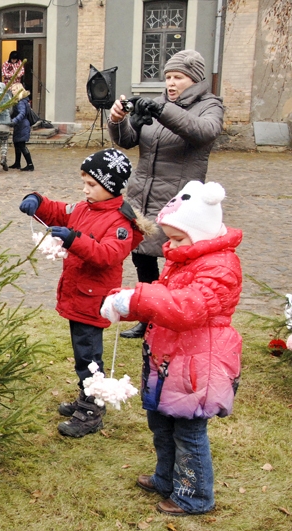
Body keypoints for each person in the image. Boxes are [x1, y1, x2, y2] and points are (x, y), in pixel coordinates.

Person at [100, 180, 241, 516]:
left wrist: (139, 298)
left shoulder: (220, 267)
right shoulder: (186, 259)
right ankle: (166, 478)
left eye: (178, 238)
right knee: (161, 425)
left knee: (188, 433)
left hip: (198, 366)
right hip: (169, 360)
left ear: (201, 232)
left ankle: (195, 495)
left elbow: (188, 307)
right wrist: (127, 304)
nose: (171, 245)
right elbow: (163, 300)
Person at [19, 148, 150, 437]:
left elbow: (107, 255)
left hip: (93, 300)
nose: (85, 189)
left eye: (91, 184)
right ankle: (86, 396)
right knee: (82, 354)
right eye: (84, 183)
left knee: (89, 357)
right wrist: (37, 201)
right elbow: (58, 211)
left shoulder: (120, 223)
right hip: (78, 295)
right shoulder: (83, 208)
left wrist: (73, 239)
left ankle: (92, 410)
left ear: (110, 185)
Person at [108, 49, 224, 340]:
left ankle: (174, 316)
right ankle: (148, 317)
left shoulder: (209, 105)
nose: (171, 83)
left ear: (194, 79)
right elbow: (128, 140)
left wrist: (162, 111)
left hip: (180, 199)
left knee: (178, 259)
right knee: (142, 255)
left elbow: (203, 132)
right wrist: (119, 120)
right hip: (143, 192)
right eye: (168, 77)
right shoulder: (159, 103)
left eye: (178, 77)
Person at [9, 83, 35, 171]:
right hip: (19, 125)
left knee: (21, 145)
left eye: (14, 90)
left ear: (19, 90)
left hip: (22, 125)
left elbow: (22, 113)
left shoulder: (21, 102)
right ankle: (17, 163)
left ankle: (30, 165)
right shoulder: (21, 100)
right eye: (12, 90)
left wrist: (14, 121)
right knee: (17, 144)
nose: (12, 92)